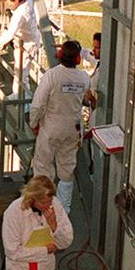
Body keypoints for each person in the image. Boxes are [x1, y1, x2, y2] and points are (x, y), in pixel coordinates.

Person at [29, 39, 92, 213]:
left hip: (51, 128)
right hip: (73, 129)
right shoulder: (84, 78)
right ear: (78, 59)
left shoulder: (52, 76)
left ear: (59, 55)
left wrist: (34, 123)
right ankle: (64, 209)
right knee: (67, 169)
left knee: (42, 167)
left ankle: (42, 207)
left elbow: (38, 104)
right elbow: (86, 100)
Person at [0, 0, 41, 95]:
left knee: (21, 72)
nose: (7, 6)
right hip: (26, 40)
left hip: (27, 45)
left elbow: (10, 34)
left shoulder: (20, 15)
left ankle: (22, 100)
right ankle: (19, 95)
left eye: (9, 3)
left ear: (16, 1)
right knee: (20, 72)